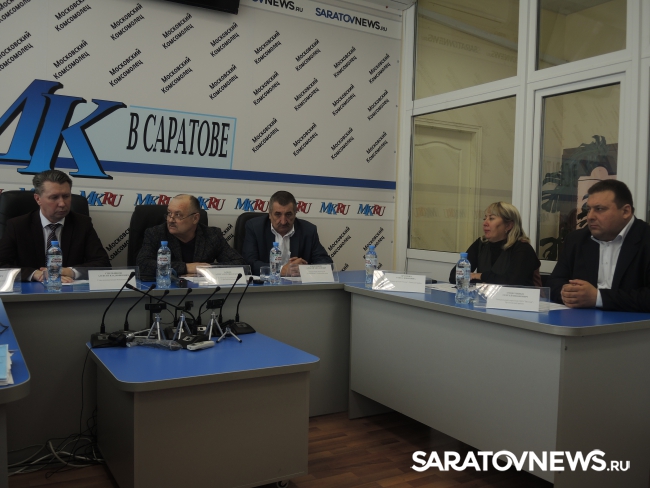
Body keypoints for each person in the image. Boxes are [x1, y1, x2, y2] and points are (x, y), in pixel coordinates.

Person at [548, 179, 650, 312]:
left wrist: (598, 298)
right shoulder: (576, 240)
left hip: (634, 323)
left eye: (599, 209)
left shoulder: (645, 239)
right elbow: (554, 282)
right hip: (582, 321)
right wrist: (567, 293)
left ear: (625, 211)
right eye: (589, 209)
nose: (590, 216)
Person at [0, 170, 110, 282]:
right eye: (54, 197)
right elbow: (1, 265)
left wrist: (70, 271)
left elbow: (103, 263)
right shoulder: (17, 225)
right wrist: (34, 274)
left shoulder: (82, 223)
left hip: (69, 288)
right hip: (30, 290)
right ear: (38, 199)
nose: (62, 203)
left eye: (66, 196)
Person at [136, 194, 244, 279]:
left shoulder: (212, 235)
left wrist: (204, 269)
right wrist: (186, 268)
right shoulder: (156, 233)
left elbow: (239, 264)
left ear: (195, 218)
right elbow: (142, 265)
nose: (170, 220)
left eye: (178, 215)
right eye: (169, 213)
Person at [242, 190, 333, 276]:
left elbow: (327, 263)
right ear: (270, 214)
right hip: (266, 284)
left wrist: (304, 269)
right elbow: (249, 264)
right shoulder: (255, 228)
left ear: (295, 213)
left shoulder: (308, 230)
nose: (283, 221)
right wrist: (281, 270)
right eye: (278, 214)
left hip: (297, 286)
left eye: (288, 214)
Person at [449, 202, 540, 286]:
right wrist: (484, 281)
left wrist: (480, 276)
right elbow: (454, 276)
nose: (485, 223)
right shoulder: (481, 243)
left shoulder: (522, 248)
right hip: (485, 297)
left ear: (508, 225)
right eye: (485, 218)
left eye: (491, 218)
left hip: (518, 298)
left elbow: (512, 283)